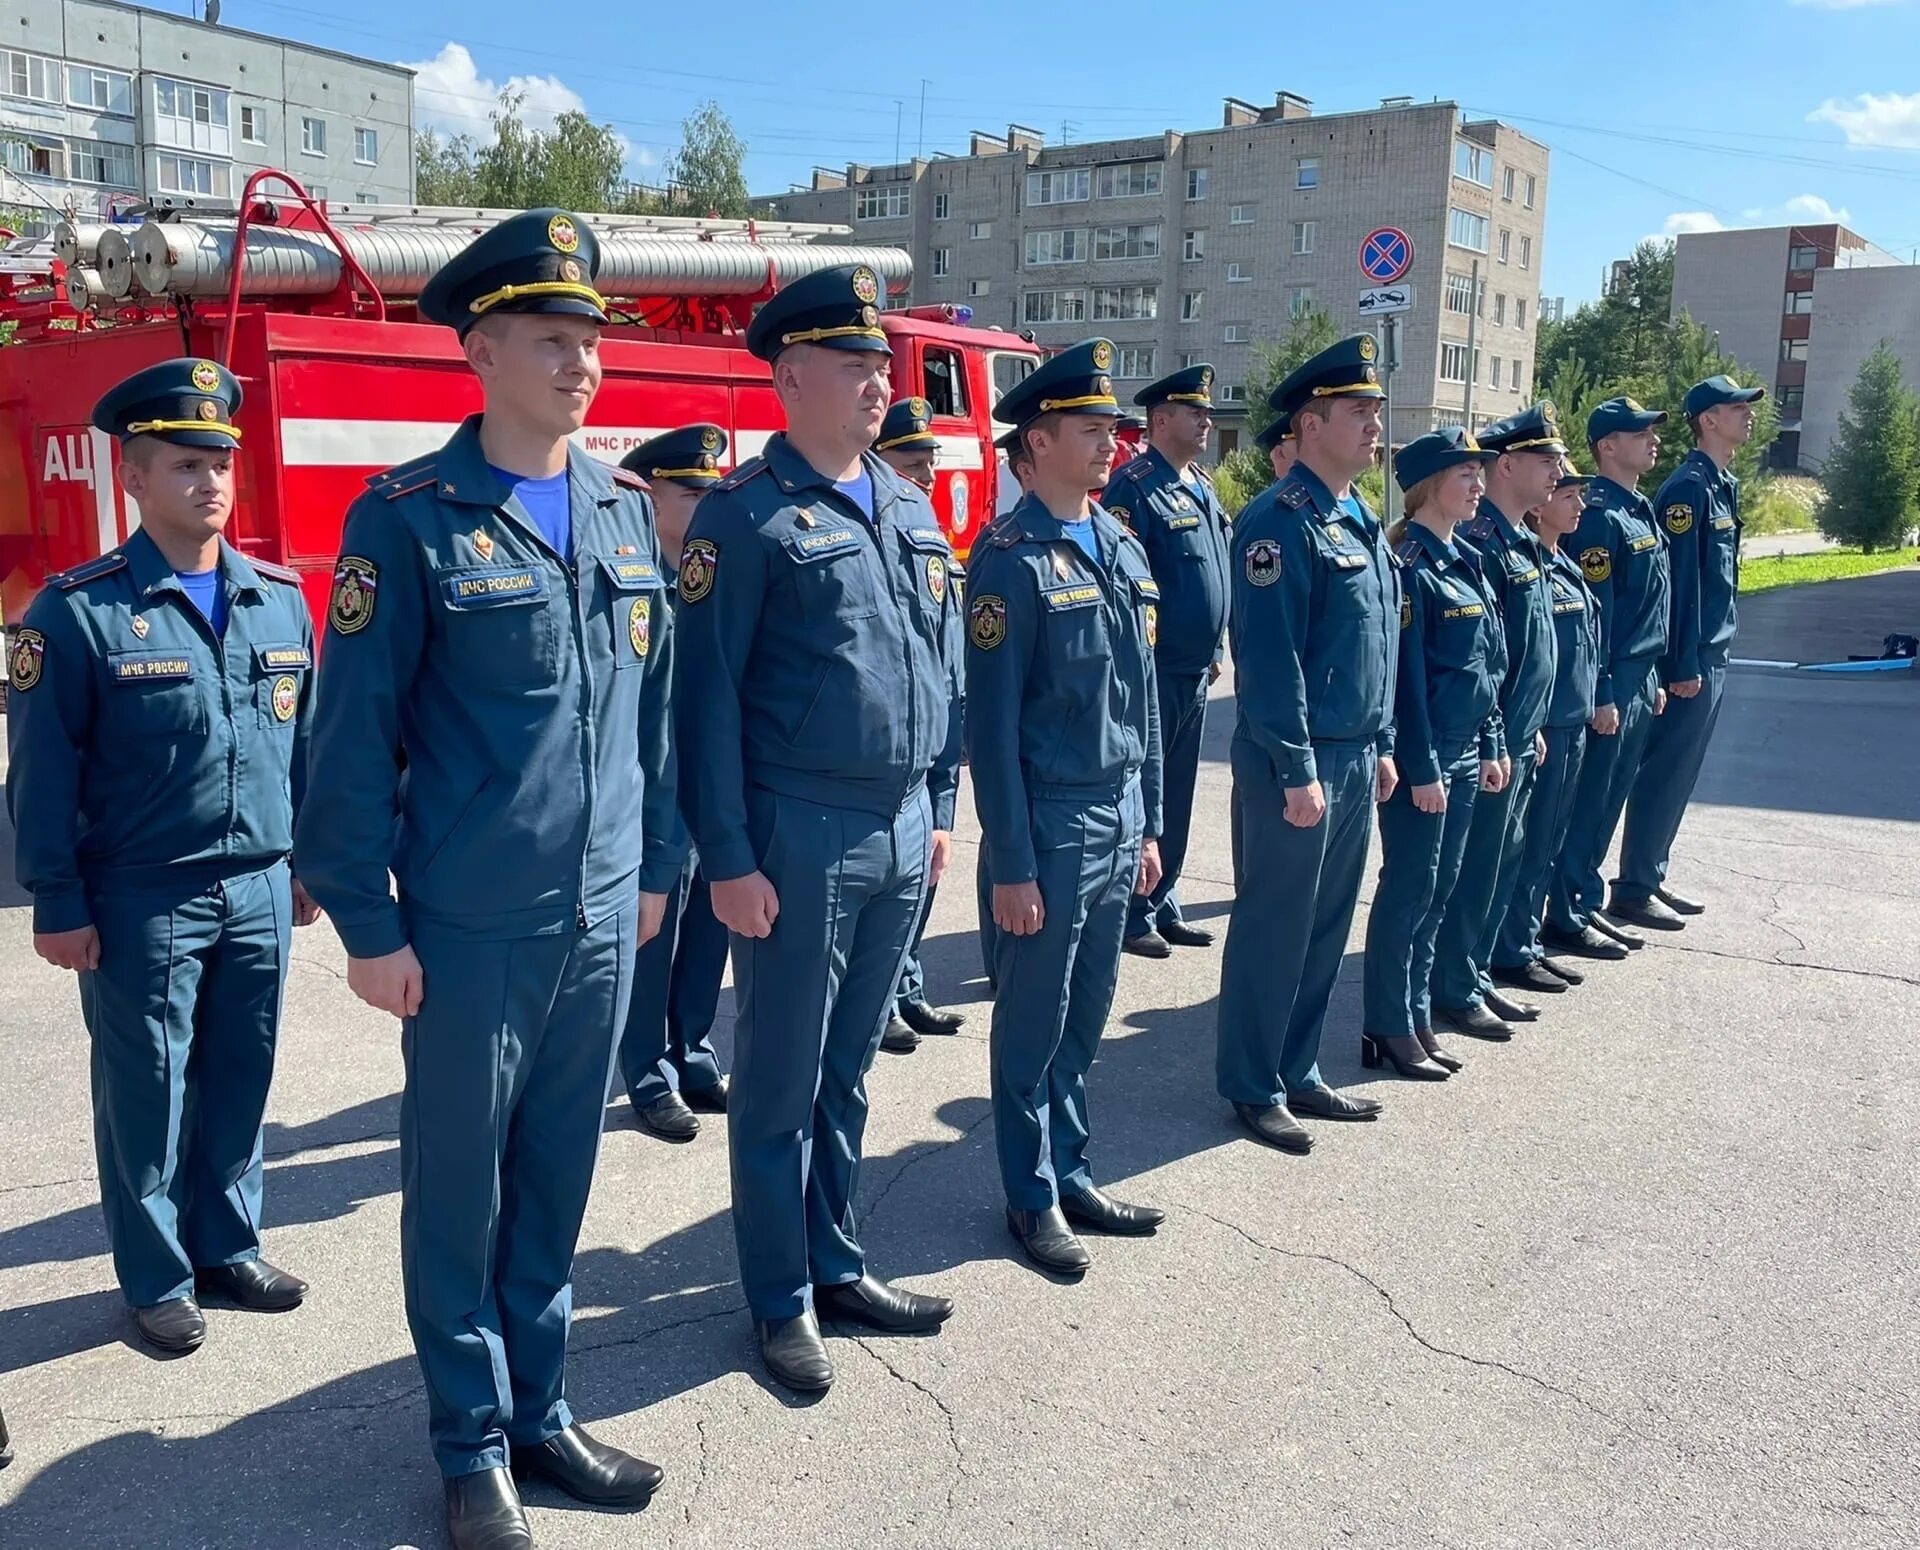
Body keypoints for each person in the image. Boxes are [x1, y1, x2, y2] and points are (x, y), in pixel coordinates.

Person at [295, 210, 679, 1550]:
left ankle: (542, 1410)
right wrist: (366, 919)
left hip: (598, 919)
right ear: (480, 347)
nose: (580, 361)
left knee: (561, 1175)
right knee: (457, 1188)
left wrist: (651, 868)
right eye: (550, 337)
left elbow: (656, 717)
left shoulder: (627, 510)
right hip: (464, 930)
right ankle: (469, 1443)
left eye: (589, 338)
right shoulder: (404, 520)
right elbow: (348, 743)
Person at [673, 264, 963, 1394]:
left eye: (883, 365)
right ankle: (779, 1295)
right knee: (782, 1079)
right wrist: (730, 858)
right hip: (799, 830)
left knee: (850, 1066)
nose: (880, 382)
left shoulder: (905, 501)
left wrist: (939, 804)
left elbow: (936, 666)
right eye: (856, 365)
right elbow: (701, 705)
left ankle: (837, 1257)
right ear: (791, 376)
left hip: (898, 828)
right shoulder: (742, 519)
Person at [6, 358, 318, 1358]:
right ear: (133, 478)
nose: (210, 482)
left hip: (260, 881)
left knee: (242, 1072)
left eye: (220, 462)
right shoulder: (77, 611)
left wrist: (312, 859)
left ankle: (226, 1241)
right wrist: (58, 898)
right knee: (146, 1087)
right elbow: (42, 773)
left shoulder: (279, 599)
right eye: (184, 464)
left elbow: (302, 743)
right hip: (143, 893)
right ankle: (157, 1273)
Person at [967, 339, 1166, 1276]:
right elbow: (993, 729)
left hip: (1119, 812)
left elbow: (1147, 698)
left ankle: (1073, 1166)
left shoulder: (1120, 543)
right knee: (1032, 1022)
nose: (1111, 447)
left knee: (1087, 1015)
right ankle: (1030, 1191)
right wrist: (1009, 860)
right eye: (1091, 431)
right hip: (1048, 822)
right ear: (1036, 444)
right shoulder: (1007, 561)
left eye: (1113, 431)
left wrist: (1152, 822)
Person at [1216, 334, 1399, 1154]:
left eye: (1375, 412)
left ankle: (1300, 1069)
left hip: (1355, 753)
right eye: (1358, 412)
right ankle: (1254, 1084)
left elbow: (1373, 647)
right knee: (1276, 925)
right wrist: (1295, 766)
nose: (1374, 426)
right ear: (1311, 422)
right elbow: (1268, 658)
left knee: (1326, 924)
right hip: (1300, 760)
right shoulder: (1278, 522)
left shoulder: (1357, 517)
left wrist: (1383, 740)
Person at [1362, 428, 1504, 1080]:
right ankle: (1389, 1025)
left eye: (1479, 473)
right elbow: (1406, 683)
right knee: (1410, 891)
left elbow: (1488, 663)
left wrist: (1494, 741)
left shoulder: (1465, 556)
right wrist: (1420, 766)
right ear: (1427, 487)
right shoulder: (1412, 566)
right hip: (1432, 755)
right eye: (1465, 475)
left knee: (1440, 891)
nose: (1478, 485)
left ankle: (1416, 1016)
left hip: (1468, 749)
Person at [615, 425, 734, 1141]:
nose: (704, 504)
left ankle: (692, 1049)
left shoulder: (712, 575)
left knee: (705, 935)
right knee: (651, 936)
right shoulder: (629, 578)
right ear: (649, 496)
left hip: (708, 786)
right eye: (690, 492)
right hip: (649, 792)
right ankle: (646, 1071)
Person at [1429, 404, 1562, 1037]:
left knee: (1502, 860)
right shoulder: (1484, 543)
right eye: (1545, 460)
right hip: (1486, 737)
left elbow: (1520, 652)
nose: (1558, 470)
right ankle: (1454, 985)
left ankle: (1474, 974)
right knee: (1475, 866)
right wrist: (1498, 731)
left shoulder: (1522, 544)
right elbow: (1481, 660)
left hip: (1516, 733)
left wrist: (1529, 722)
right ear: (1508, 465)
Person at [1615, 375, 1765, 926]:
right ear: (1708, 420)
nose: (1747, 415)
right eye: (1736, 408)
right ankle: (1633, 886)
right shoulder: (1688, 489)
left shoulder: (1721, 483)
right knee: (1664, 770)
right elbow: (1677, 585)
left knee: (1683, 772)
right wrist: (1681, 662)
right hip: (1693, 658)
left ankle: (1649, 874)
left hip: (1714, 651)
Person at [1100, 364, 1230, 959]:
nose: (1206, 418)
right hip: (1154, 672)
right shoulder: (1135, 485)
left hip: (1194, 668)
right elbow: (1129, 585)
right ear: (1160, 420)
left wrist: (1215, 649)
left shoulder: (1199, 483)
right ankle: (1132, 908)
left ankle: (1163, 895)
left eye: (1206, 410)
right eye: (1193, 410)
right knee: (1149, 792)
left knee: (1177, 793)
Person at [1543, 397, 1673, 961]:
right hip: (1614, 681)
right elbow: (1597, 613)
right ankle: (1566, 912)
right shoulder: (1596, 514)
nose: (1654, 441)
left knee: (1610, 797)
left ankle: (1585, 900)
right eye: (1639, 433)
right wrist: (1606, 688)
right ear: (1607, 447)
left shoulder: (1636, 508)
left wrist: (1654, 675)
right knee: (1590, 801)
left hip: (1641, 675)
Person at [873, 396, 967, 1053]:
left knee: (930, 862)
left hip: (941, 729)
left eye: (931, 462)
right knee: (901, 871)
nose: (928, 476)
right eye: (913, 463)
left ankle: (906, 985)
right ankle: (883, 1001)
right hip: (897, 742)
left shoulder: (930, 537)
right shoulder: (875, 541)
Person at [1490, 463, 1603, 987]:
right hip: (1545, 723)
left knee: (1546, 843)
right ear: (1538, 506)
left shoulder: (1562, 565)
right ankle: (1510, 947)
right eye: (1567, 493)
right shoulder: (1521, 560)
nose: (1579, 504)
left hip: (1566, 719)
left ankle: (1525, 938)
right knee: (1525, 846)